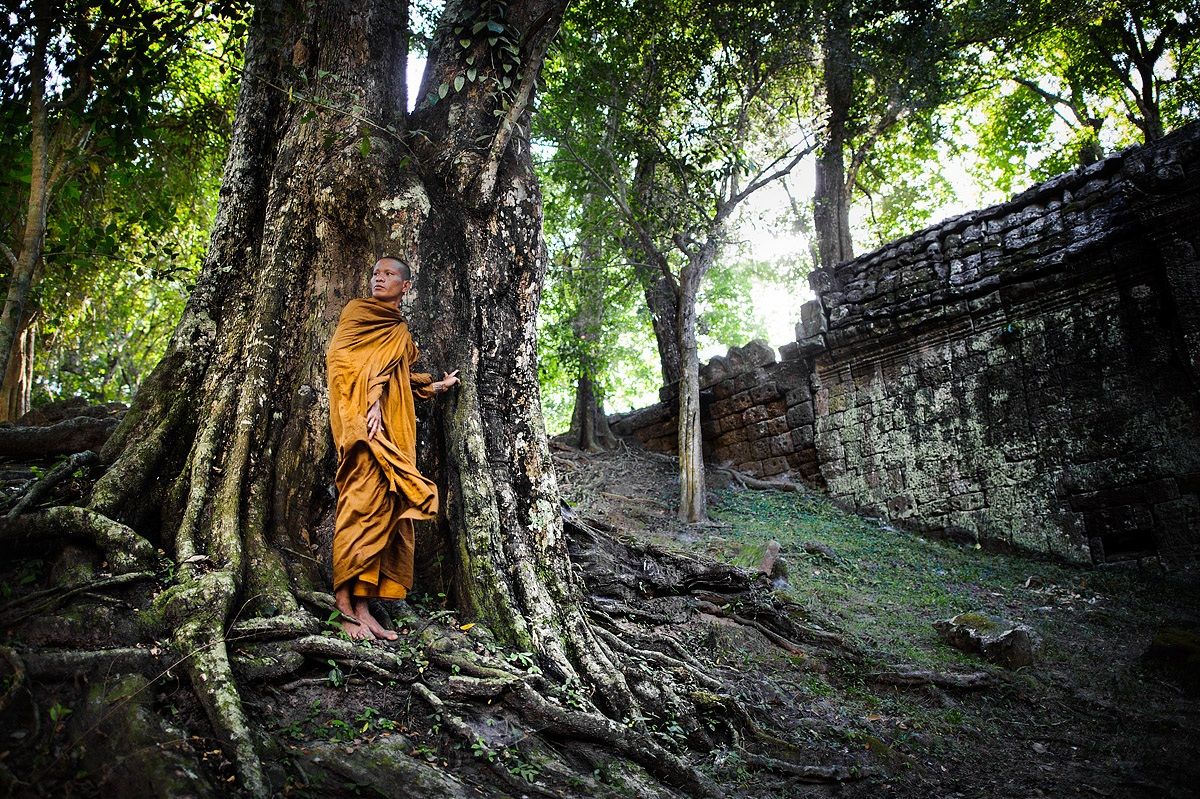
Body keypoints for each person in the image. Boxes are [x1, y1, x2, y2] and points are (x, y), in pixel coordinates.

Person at [326, 256, 459, 641]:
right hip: (363, 428)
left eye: (388, 275)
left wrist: (432, 387)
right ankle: (343, 605)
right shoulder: (357, 313)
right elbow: (341, 362)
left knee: (386, 511)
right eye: (375, 274)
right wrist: (368, 401)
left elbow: (395, 377)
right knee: (358, 506)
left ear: (405, 286)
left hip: (394, 430)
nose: (378, 279)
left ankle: (364, 606)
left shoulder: (398, 329)